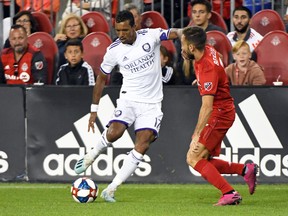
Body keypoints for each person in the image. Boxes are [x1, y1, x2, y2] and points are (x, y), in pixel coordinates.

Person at [74, 10, 182, 202]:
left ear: (135, 27)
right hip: (129, 99)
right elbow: (101, 78)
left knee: (142, 144)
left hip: (152, 104)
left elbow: (175, 32)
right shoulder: (114, 50)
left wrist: (187, 34)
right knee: (115, 132)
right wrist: (93, 110)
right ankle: (92, 155)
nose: (121, 34)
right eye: (118, 30)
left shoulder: (151, 35)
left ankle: (111, 189)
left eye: (125, 30)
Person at [181, 26, 258, 206]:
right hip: (222, 110)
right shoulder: (207, 50)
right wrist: (204, 81)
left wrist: (196, 135)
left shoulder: (208, 68)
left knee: (193, 158)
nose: (181, 48)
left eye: (183, 45)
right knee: (204, 159)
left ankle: (229, 193)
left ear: (192, 47)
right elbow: (217, 68)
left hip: (219, 113)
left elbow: (206, 107)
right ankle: (245, 169)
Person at [175, 0, 226, 85]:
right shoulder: (185, 34)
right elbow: (178, 61)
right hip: (188, 77)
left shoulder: (218, 33)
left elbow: (222, 58)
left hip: (211, 76)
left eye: (201, 12)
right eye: (194, 12)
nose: (197, 15)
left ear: (209, 15)